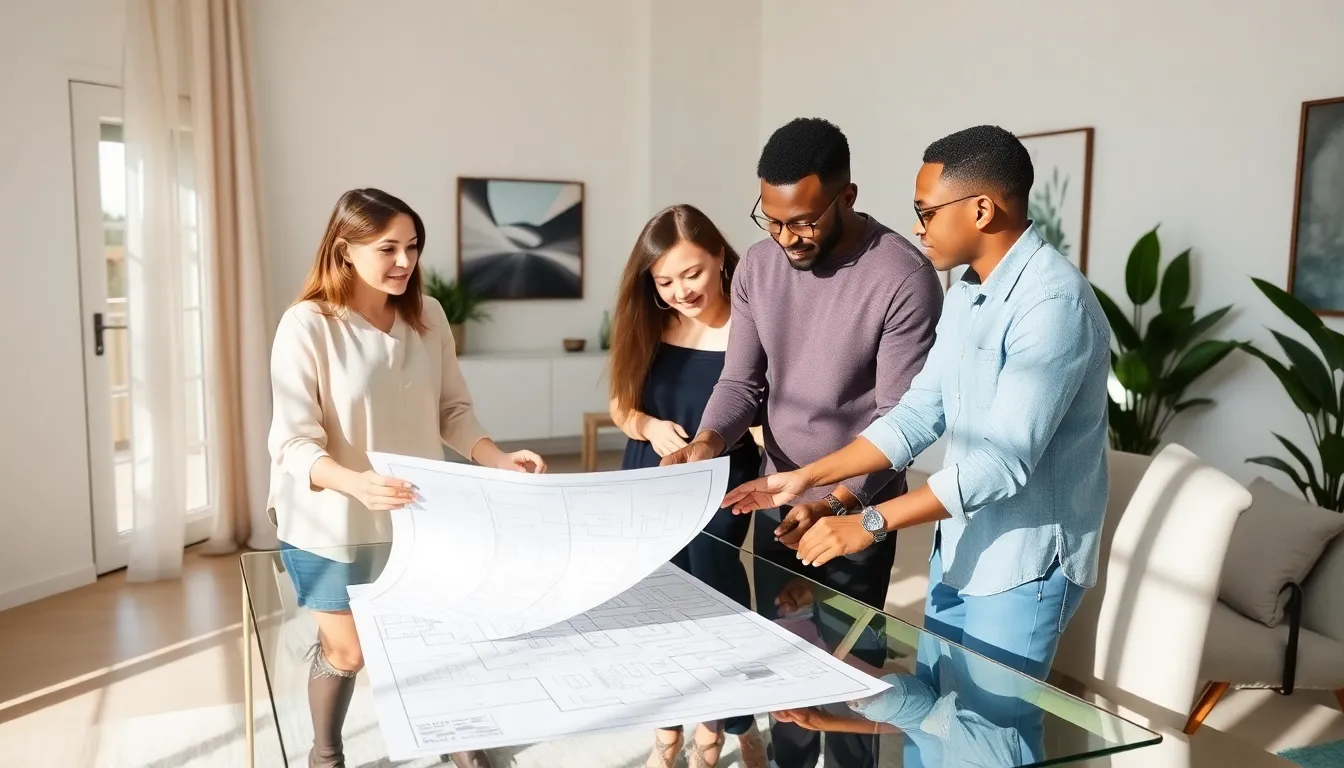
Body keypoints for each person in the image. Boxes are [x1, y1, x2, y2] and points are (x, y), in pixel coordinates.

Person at [723, 124, 1111, 686]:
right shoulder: (968, 292)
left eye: (926, 212)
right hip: (958, 543)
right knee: (938, 710)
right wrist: (808, 477)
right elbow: (915, 414)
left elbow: (1001, 464)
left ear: (981, 210)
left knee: (989, 725)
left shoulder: (1052, 304)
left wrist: (869, 521)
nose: (916, 225)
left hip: (1021, 561)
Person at [662, 117, 944, 768]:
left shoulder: (902, 276)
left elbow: (899, 420)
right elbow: (742, 382)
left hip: (856, 507)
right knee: (783, 669)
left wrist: (837, 499)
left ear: (848, 196)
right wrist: (708, 441)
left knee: (850, 679)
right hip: (779, 497)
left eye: (804, 222)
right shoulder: (758, 268)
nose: (787, 237)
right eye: (772, 220)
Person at [268, 188, 547, 768]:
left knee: (432, 639)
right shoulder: (308, 324)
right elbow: (292, 442)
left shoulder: (429, 316)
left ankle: (458, 745)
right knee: (349, 652)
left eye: (413, 247)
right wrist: (354, 482)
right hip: (330, 520)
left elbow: (452, 410)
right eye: (387, 248)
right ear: (344, 250)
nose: (405, 261)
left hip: (418, 515)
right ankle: (326, 754)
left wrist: (495, 457)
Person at [607, 204, 768, 768]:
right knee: (653, 608)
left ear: (720, 256)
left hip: (719, 483)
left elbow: (766, 417)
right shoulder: (649, 323)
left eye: (692, 273)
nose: (681, 292)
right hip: (648, 479)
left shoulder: (752, 326)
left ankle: (722, 724)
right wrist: (648, 426)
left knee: (716, 603)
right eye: (665, 281)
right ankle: (667, 730)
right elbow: (620, 406)